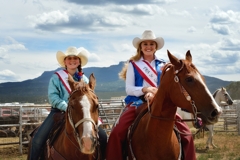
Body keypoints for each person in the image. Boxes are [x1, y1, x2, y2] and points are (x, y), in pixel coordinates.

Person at [105, 30, 196, 160]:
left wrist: (156, 95)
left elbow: (167, 87)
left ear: (156, 47)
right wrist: (145, 90)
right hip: (137, 103)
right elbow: (129, 89)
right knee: (116, 132)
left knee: (186, 134)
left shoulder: (163, 64)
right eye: (145, 44)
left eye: (151, 44)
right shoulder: (133, 64)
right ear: (140, 47)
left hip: (161, 104)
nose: (148, 46)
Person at [29, 46, 107, 160]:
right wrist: (67, 107)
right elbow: (53, 97)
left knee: (103, 137)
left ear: (79, 61)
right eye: (69, 58)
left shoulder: (84, 79)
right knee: (37, 139)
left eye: (75, 58)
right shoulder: (56, 77)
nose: (72, 60)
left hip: (81, 114)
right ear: (65, 61)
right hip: (58, 112)